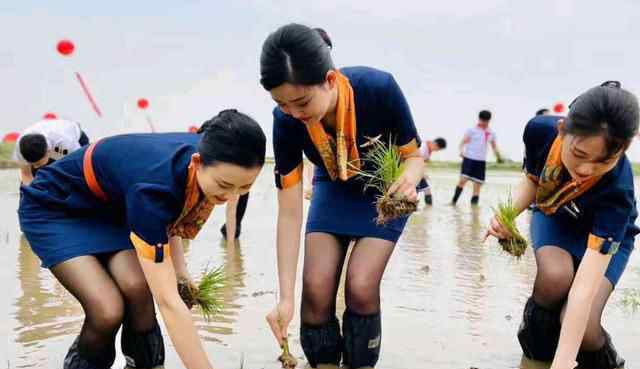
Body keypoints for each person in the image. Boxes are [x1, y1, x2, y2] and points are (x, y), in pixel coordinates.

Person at [18, 110, 266, 369]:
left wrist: (181, 274)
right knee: (107, 309)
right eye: (225, 185)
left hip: (112, 208)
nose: (232, 195)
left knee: (138, 288)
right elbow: (169, 303)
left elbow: (170, 219)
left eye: (245, 187)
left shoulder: (217, 153)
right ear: (197, 161)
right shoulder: (154, 187)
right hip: (55, 208)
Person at [260, 24, 425, 369]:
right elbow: (289, 213)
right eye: (281, 103)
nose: (294, 113)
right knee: (316, 290)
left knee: (361, 284)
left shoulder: (378, 88)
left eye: (302, 102)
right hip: (333, 186)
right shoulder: (286, 120)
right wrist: (285, 298)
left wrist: (408, 182)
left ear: (330, 80)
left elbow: (414, 158)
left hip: (385, 188)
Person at [486, 81, 638, 369]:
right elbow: (533, 179)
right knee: (554, 278)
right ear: (561, 130)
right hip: (556, 213)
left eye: (603, 162)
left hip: (604, 235)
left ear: (622, 151)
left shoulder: (619, 191)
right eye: (579, 155)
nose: (585, 170)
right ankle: (535, 356)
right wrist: (507, 215)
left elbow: (582, 290)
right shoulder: (539, 131)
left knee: (585, 326)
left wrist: (564, 362)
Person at [13, 118, 89, 186]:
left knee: (70, 173)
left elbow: (80, 167)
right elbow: (26, 174)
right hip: (49, 141)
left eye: (38, 164)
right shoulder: (20, 147)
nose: (35, 167)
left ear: (48, 152)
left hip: (75, 137)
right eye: (32, 164)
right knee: (37, 177)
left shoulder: (65, 142)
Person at [451, 110, 501, 205]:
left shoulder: (491, 133)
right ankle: (453, 202)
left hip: (481, 161)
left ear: (489, 121)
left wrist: (499, 157)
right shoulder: (471, 130)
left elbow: (494, 146)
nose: (483, 123)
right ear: (479, 119)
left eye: (486, 121)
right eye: (482, 120)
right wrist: (461, 151)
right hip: (469, 159)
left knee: (477, 185)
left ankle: (474, 207)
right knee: (462, 181)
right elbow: (463, 142)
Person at [419, 137, 446, 205]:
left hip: (418, 173)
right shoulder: (423, 147)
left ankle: (428, 209)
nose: (437, 151)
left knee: (427, 190)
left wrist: (424, 173)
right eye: (438, 149)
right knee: (426, 190)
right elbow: (415, 160)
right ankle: (428, 208)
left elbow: (424, 163)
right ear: (435, 144)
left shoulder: (429, 150)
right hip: (413, 172)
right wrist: (422, 173)